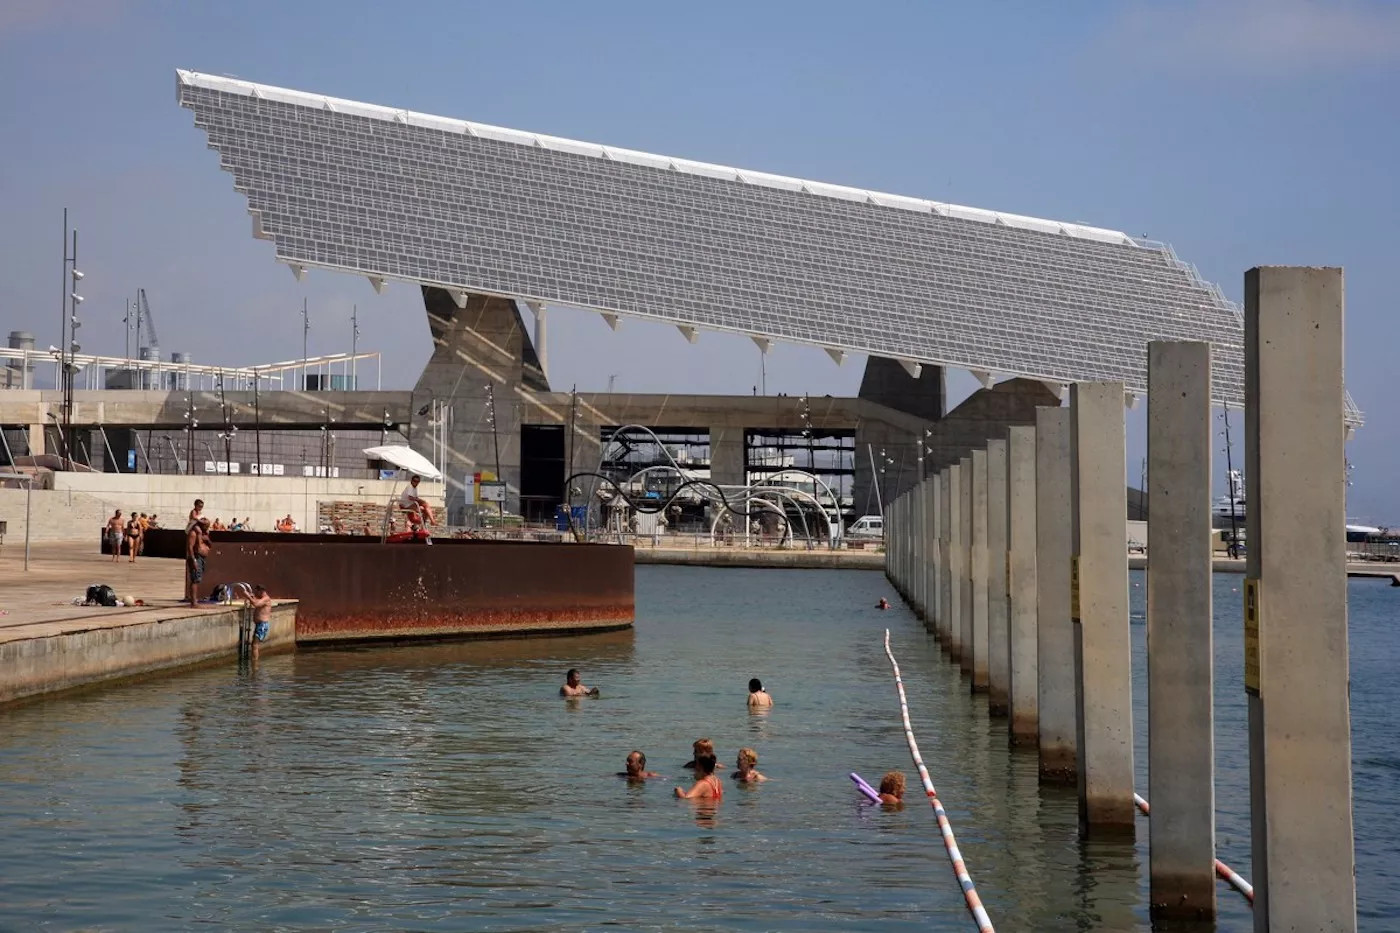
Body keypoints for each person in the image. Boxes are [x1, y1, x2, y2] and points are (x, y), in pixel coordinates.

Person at [186, 517, 211, 607]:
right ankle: (193, 602)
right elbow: (190, 547)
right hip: (196, 557)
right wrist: (194, 560)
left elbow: (210, 544)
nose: (208, 527)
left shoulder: (204, 534)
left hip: (202, 558)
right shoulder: (194, 533)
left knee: (198, 578)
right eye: (206, 525)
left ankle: (195, 600)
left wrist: (207, 540)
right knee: (195, 579)